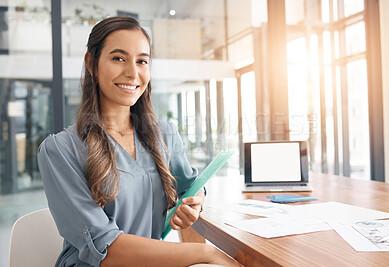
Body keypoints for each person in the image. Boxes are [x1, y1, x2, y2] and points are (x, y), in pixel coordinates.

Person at [37, 16, 240, 267]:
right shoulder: (60, 150)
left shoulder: (164, 134)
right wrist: (207, 254)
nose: (133, 73)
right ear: (92, 63)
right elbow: (105, 248)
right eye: (118, 58)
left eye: (142, 61)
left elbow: (191, 187)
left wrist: (194, 204)